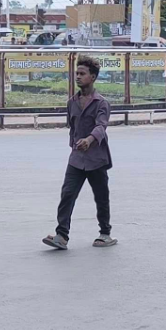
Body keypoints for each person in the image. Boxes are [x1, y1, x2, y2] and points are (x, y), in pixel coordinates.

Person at [43, 58, 114, 250]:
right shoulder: (72, 102)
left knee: (101, 197)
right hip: (76, 159)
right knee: (67, 194)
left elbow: (101, 126)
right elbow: (72, 128)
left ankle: (105, 233)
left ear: (93, 77)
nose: (78, 77)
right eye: (77, 73)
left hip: (96, 159)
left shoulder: (102, 103)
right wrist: (75, 145)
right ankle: (61, 235)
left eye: (82, 74)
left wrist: (89, 140)